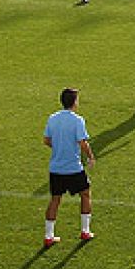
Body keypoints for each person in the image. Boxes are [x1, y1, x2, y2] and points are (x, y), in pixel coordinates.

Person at [43, 87, 96, 247]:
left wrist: (58, 147)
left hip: (55, 168)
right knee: (85, 194)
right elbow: (82, 142)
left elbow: (46, 140)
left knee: (55, 199)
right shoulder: (78, 120)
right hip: (73, 168)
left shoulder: (52, 118)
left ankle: (48, 235)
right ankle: (85, 230)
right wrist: (90, 157)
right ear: (74, 102)